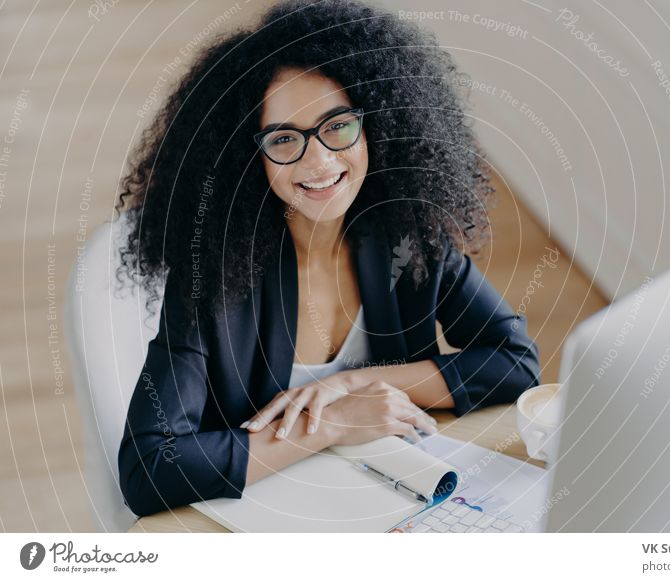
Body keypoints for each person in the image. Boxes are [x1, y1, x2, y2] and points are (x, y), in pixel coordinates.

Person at [116, 0, 541, 518]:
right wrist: (333, 424)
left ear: (375, 123)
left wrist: (352, 384)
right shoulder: (213, 277)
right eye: (284, 139)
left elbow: (514, 363)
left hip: (391, 504)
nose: (318, 161)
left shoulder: (407, 235)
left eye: (337, 125)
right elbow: (149, 468)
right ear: (249, 157)